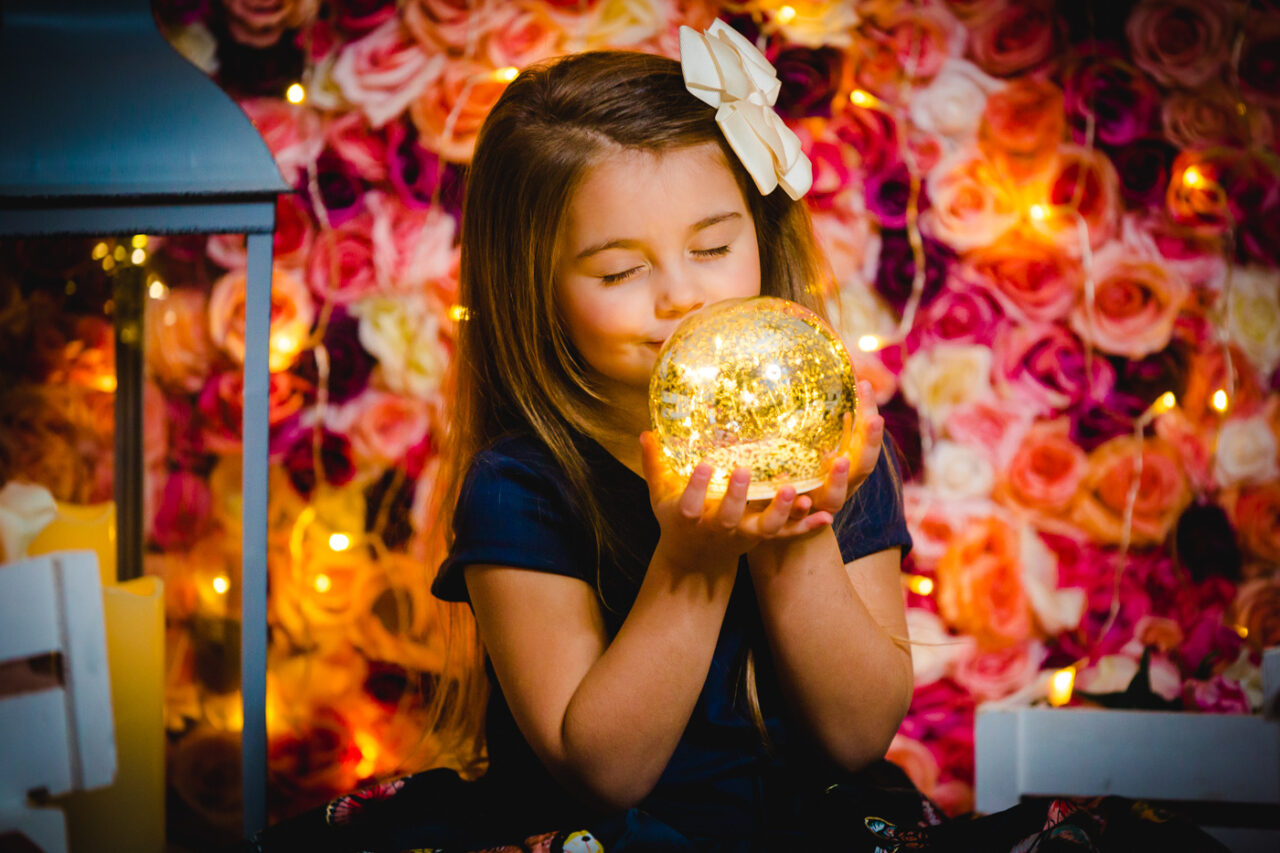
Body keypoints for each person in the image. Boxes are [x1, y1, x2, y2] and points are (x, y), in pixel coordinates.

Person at [246, 21, 1229, 853]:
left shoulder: (841, 443)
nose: (681, 294)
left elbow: (851, 738)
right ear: (536, 290)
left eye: (713, 246)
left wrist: (797, 528)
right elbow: (601, 776)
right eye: (618, 269)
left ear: (757, 233)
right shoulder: (523, 482)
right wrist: (694, 556)